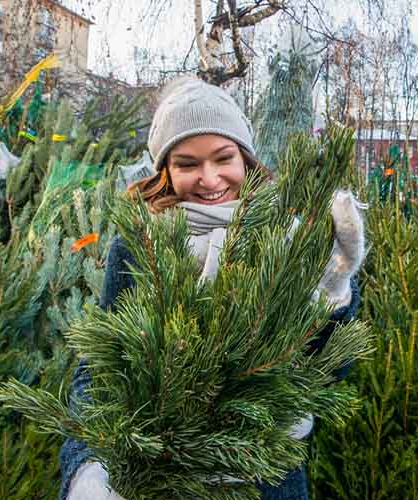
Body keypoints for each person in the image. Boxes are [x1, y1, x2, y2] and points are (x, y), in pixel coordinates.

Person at [59, 77, 366, 500]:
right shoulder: (138, 244)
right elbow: (97, 371)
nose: (209, 178)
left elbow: (327, 374)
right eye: (187, 163)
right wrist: (88, 471)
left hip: (263, 482)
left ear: (246, 159)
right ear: (164, 169)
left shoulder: (285, 241)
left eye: (224, 158)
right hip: (153, 480)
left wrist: (333, 293)